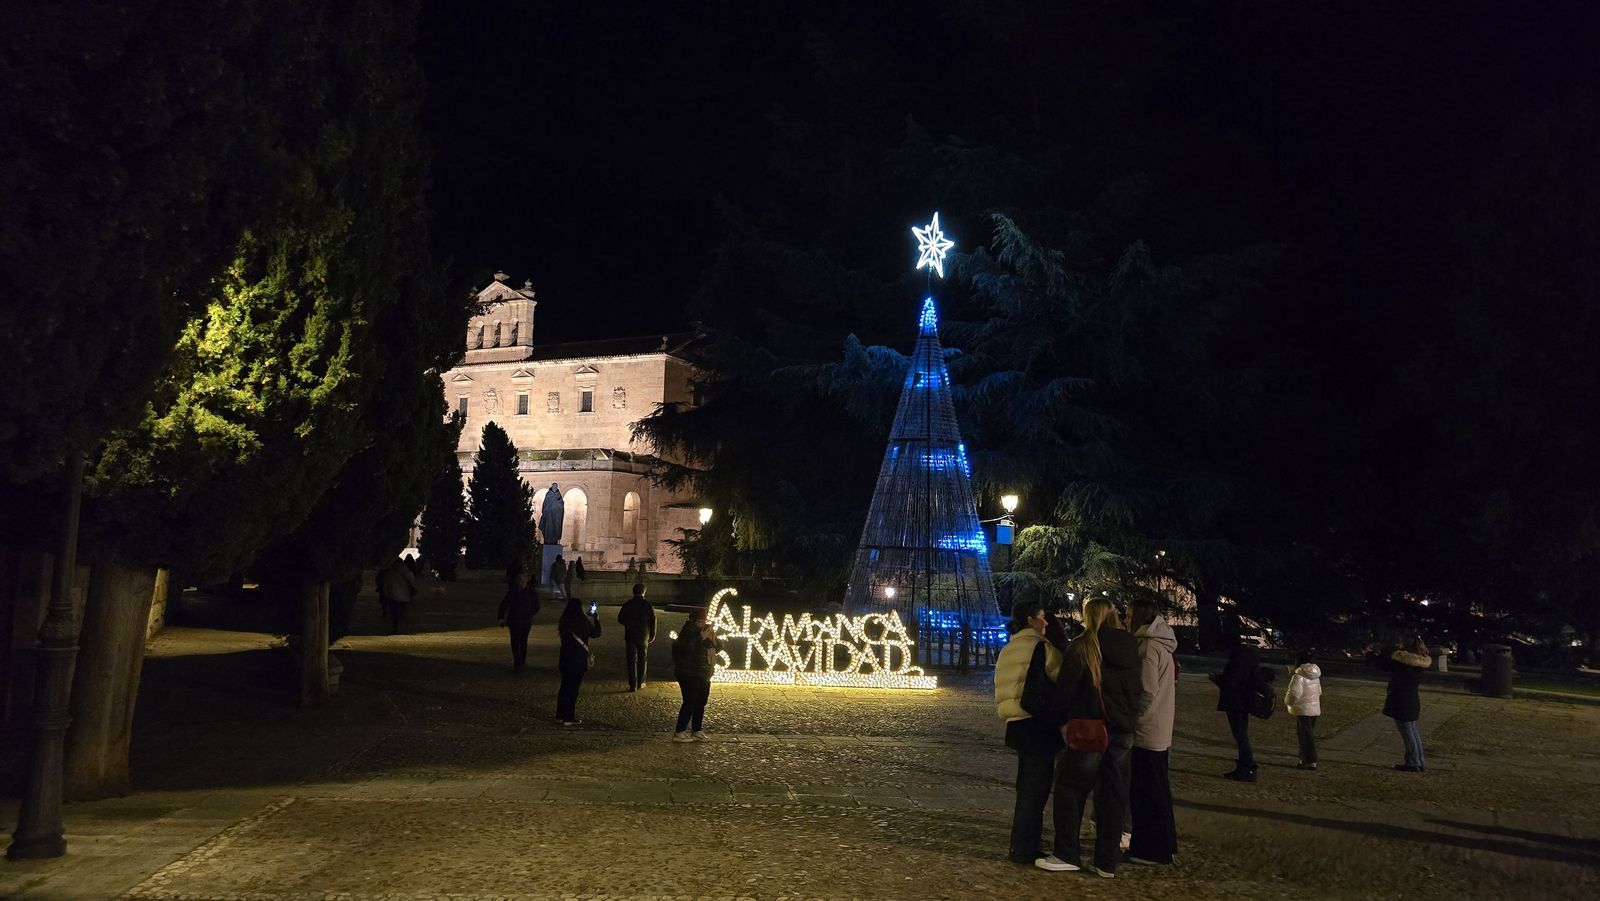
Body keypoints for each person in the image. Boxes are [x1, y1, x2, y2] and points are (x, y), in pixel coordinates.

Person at [1051, 597, 1142, 878]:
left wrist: (1060, 720)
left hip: (1091, 728)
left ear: (1088, 616)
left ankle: (1067, 853)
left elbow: (1065, 692)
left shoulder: (1084, 646)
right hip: (1123, 729)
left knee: (1070, 788)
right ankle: (1106, 861)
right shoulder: (1130, 647)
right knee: (1113, 794)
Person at [993, 601, 1068, 871]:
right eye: (1041, 618)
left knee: (1026, 786)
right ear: (1029, 620)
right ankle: (1023, 847)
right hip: (1038, 724)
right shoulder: (1042, 648)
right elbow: (1062, 677)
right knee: (1035, 790)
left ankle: (1023, 842)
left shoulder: (1008, 648)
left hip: (1016, 724)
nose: (1045, 622)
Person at [1126, 597, 1178, 866]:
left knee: (1147, 792)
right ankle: (1164, 845)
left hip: (1147, 729)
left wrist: (1131, 717)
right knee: (1157, 789)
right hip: (1159, 727)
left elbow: (1146, 691)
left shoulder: (1147, 648)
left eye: (1128, 613)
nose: (1125, 618)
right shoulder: (1161, 645)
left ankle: (1150, 849)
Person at [1211, 617, 1262, 781]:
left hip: (1237, 702)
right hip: (1243, 701)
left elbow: (1232, 683)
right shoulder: (1247, 656)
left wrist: (1218, 679)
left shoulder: (1238, 660)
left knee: (1241, 736)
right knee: (1242, 735)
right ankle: (1245, 766)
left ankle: (1247, 768)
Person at [672, 607, 722, 741]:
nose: (703, 623)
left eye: (704, 620)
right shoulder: (687, 631)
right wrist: (701, 637)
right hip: (689, 672)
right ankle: (680, 731)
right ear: (693, 621)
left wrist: (713, 638)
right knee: (690, 701)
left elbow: (717, 647)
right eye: (700, 621)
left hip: (704, 673)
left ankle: (697, 730)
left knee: (701, 702)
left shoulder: (705, 630)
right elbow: (686, 648)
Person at [1385, 636, 1431, 772]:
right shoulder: (1419, 664)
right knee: (1412, 729)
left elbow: (1385, 665)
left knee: (1407, 730)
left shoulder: (1403, 662)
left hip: (1402, 699)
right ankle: (1418, 760)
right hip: (1411, 698)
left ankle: (1412, 762)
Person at [555, 596, 600, 725]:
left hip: (565, 658)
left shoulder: (564, 622)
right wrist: (596, 618)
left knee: (564, 687)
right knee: (573, 689)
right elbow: (596, 633)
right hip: (578, 660)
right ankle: (569, 717)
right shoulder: (583, 622)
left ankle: (560, 715)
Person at [496, 568, 541, 672]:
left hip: (525, 621)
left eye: (522, 580)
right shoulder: (513, 591)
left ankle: (522, 660)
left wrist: (529, 614)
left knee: (523, 641)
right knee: (514, 641)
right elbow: (504, 604)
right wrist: (501, 618)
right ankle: (517, 660)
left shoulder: (531, 592)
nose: (520, 582)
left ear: (526, 580)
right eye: (518, 580)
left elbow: (536, 606)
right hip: (514, 620)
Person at [1285, 650, 1323, 770]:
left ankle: (1309, 760)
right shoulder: (1316, 675)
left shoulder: (1299, 675)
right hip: (1314, 708)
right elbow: (1320, 691)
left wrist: (1287, 701)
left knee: (1305, 736)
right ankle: (1305, 758)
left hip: (1303, 708)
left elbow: (1294, 693)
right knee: (1308, 734)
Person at [617, 583, 656, 691]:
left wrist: (629, 623)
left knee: (631, 659)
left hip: (630, 633)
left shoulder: (627, 604)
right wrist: (652, 634)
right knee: (643, 658)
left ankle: (632, 684)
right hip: (643, 634)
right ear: (643, 592)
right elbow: (653, 621)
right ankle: (641, 682)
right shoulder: (648, 605)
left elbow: (620, 619)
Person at [376, 555, 417, 634]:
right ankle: (400, 625)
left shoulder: (389, 571)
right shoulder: (405, 570)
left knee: (394, 612)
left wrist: (386, 593)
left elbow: (385, 583)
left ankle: (396, 627)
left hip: (392, 595)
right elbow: (411, 580)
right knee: (402, 611)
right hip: (404, 594)